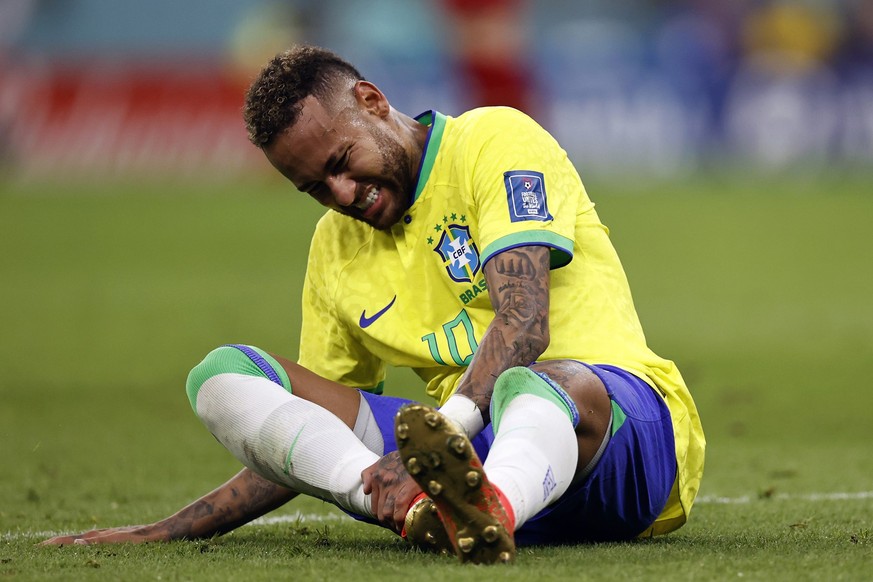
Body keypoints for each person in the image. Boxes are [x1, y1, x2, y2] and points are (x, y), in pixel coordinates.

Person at [42, 45, 705, 564]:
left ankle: (486, 506)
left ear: (371, 100)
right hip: (466, 452)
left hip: (618, 436)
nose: (339, 192)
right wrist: (171, 529)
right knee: (223, 375)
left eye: (341, 159)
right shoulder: (335, 248)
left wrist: (441, 436)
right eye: (313, 187)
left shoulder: (493, 141)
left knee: (535, 381)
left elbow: (525, 323)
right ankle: (422, 508)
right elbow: (302, 439)